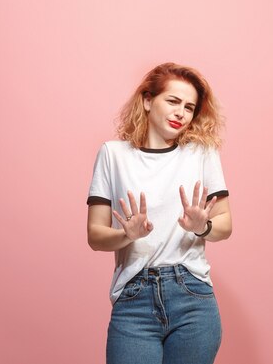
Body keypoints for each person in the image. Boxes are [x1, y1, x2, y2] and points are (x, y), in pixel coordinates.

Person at [86, 62, 232, 364]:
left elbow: (225, 225)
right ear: (148, 100)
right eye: (173, 101)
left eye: (189, 107)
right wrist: (126, 234)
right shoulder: (113, 155)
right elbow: (95, 236)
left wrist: (202, 227)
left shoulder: (202, 153)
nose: (181, 112)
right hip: (134, 299)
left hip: (192, 297)